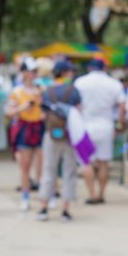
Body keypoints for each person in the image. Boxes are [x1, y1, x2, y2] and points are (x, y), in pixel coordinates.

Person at [74, 57, 125, 204]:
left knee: (86, 162)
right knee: (104, 163)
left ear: (90, 68)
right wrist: (120, 124)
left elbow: (76, 104)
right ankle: (101, 194)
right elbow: (122, 103)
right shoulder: (114, 84)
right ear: (104, 68)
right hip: (106, 126)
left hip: (86, 125)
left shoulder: (80, 82)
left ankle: (91, 193)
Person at [36, 59, 82, 223]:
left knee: (49, 169)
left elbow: (42, 115)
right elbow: (78, 112)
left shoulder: (48, 91)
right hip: (70, 136)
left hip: (51, 135)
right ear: (65, 73)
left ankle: (43, 207)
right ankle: (65, 210)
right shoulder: (73, 90)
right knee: (69, 171)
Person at [5, 57, 45, 211]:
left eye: (35, 71)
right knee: (25, 166)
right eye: (31, 71)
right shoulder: (17, 92)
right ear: (25, 73)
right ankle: (25, 196)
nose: (34, 74)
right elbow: (10, 112)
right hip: (25, 128)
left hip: (38, 127)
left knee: (41, 165)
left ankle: (44, 196)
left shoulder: (40, 90)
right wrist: (24, 107)